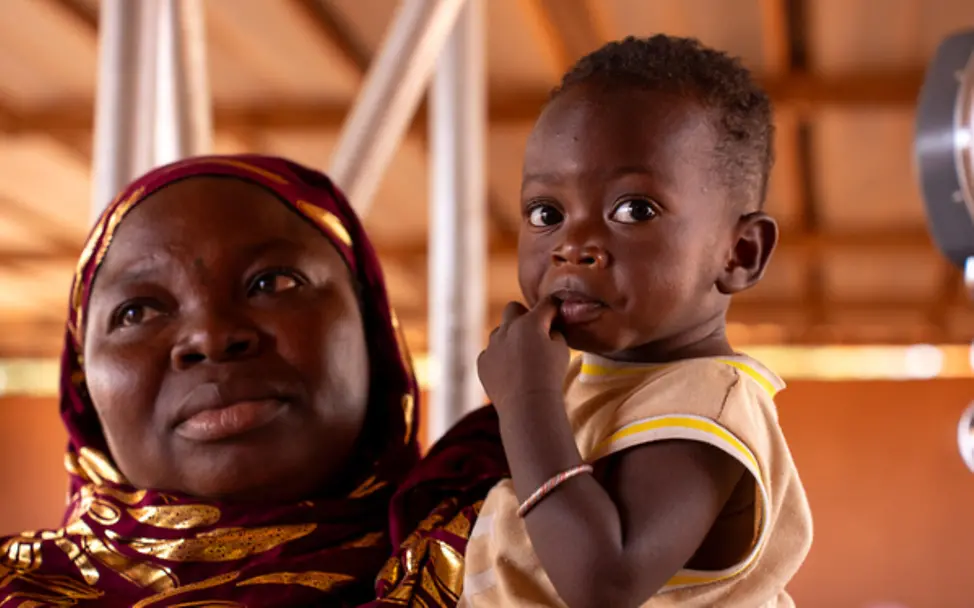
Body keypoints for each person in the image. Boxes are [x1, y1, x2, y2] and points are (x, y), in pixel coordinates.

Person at [0, 155, 507, 607]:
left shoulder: (513, 556)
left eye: (274, 283)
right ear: (83, 382)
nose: (210, 336)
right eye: (138, 311)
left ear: (372, 328)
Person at [465, 35, 813, 607]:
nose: (572, 245)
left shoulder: (706, 403)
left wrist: (526, 399)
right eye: (546, 213)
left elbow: (605, 582)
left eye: (633, 210)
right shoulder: (585, 388)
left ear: (740, 253)